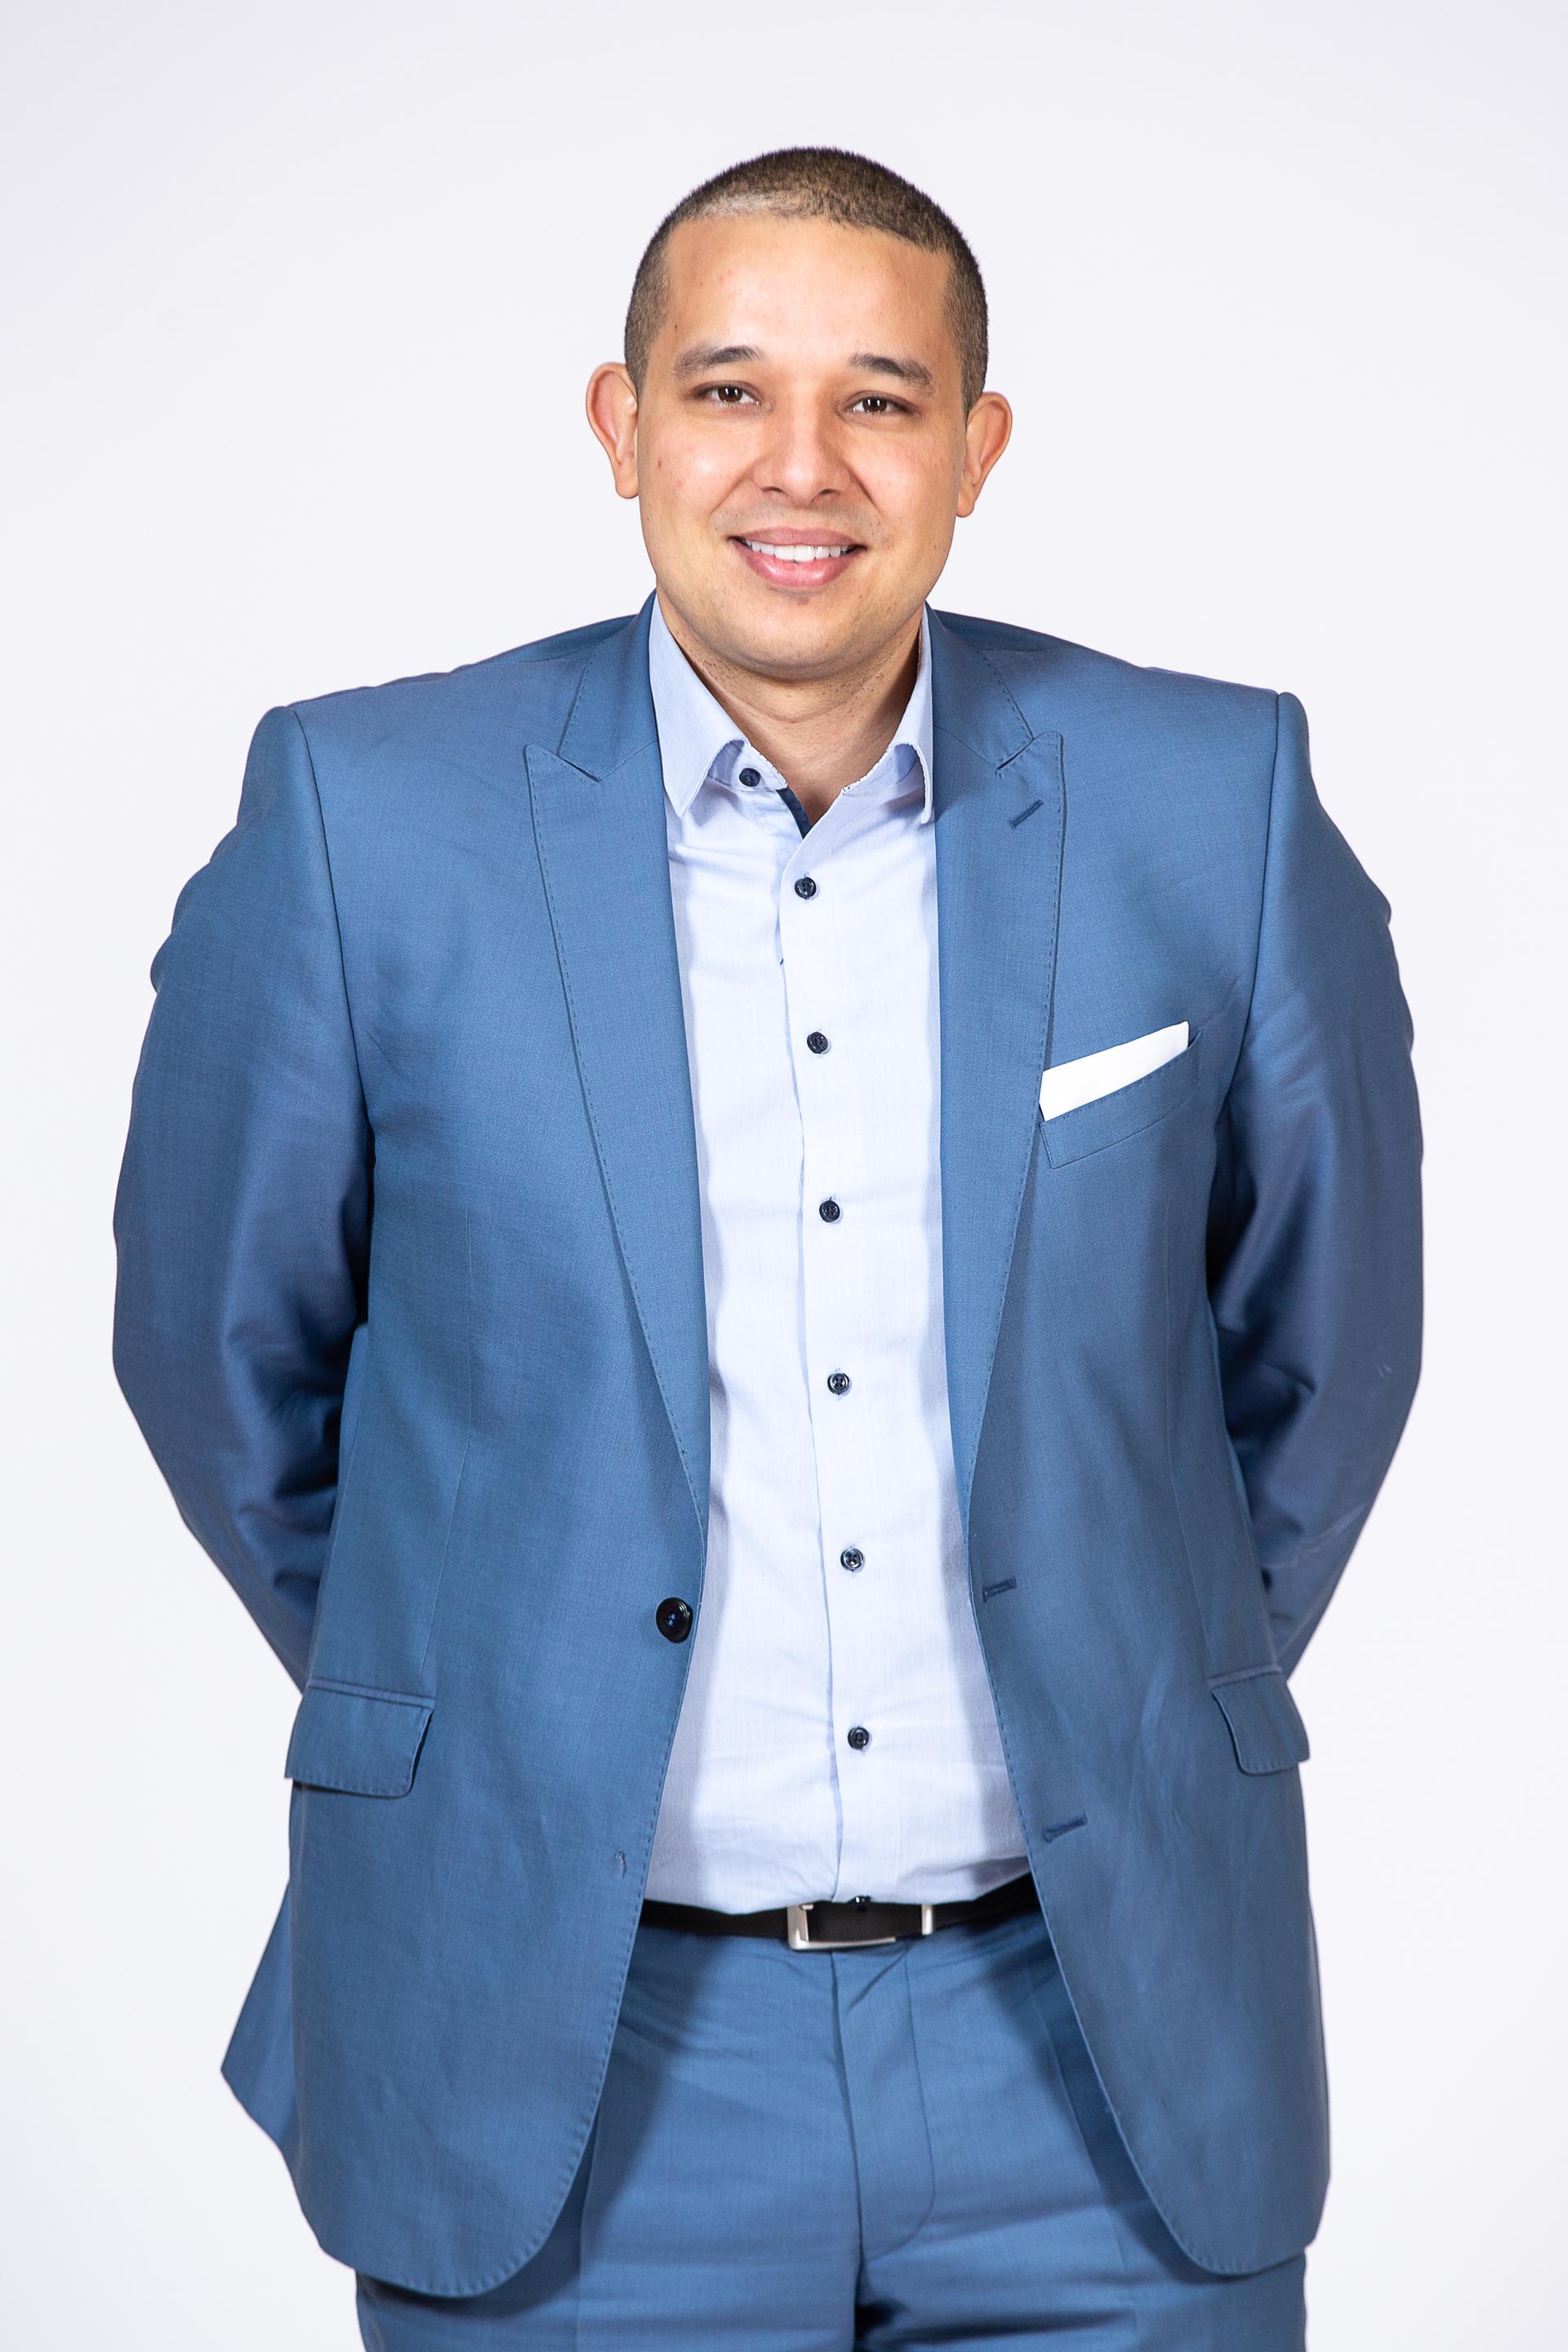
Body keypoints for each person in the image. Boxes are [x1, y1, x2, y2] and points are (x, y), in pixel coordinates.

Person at [113, 146, 1423, 2349]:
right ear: (620, 425)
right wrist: (498, 1675)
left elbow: (1327, 1342)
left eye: (882, 399)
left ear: (977, 449)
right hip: (571, 2048)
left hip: (1097, 2048)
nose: (799, 467)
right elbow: (218, 1352)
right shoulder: (363, 815)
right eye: (728, 391)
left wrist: (1132, 1647)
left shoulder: (1220, 796)